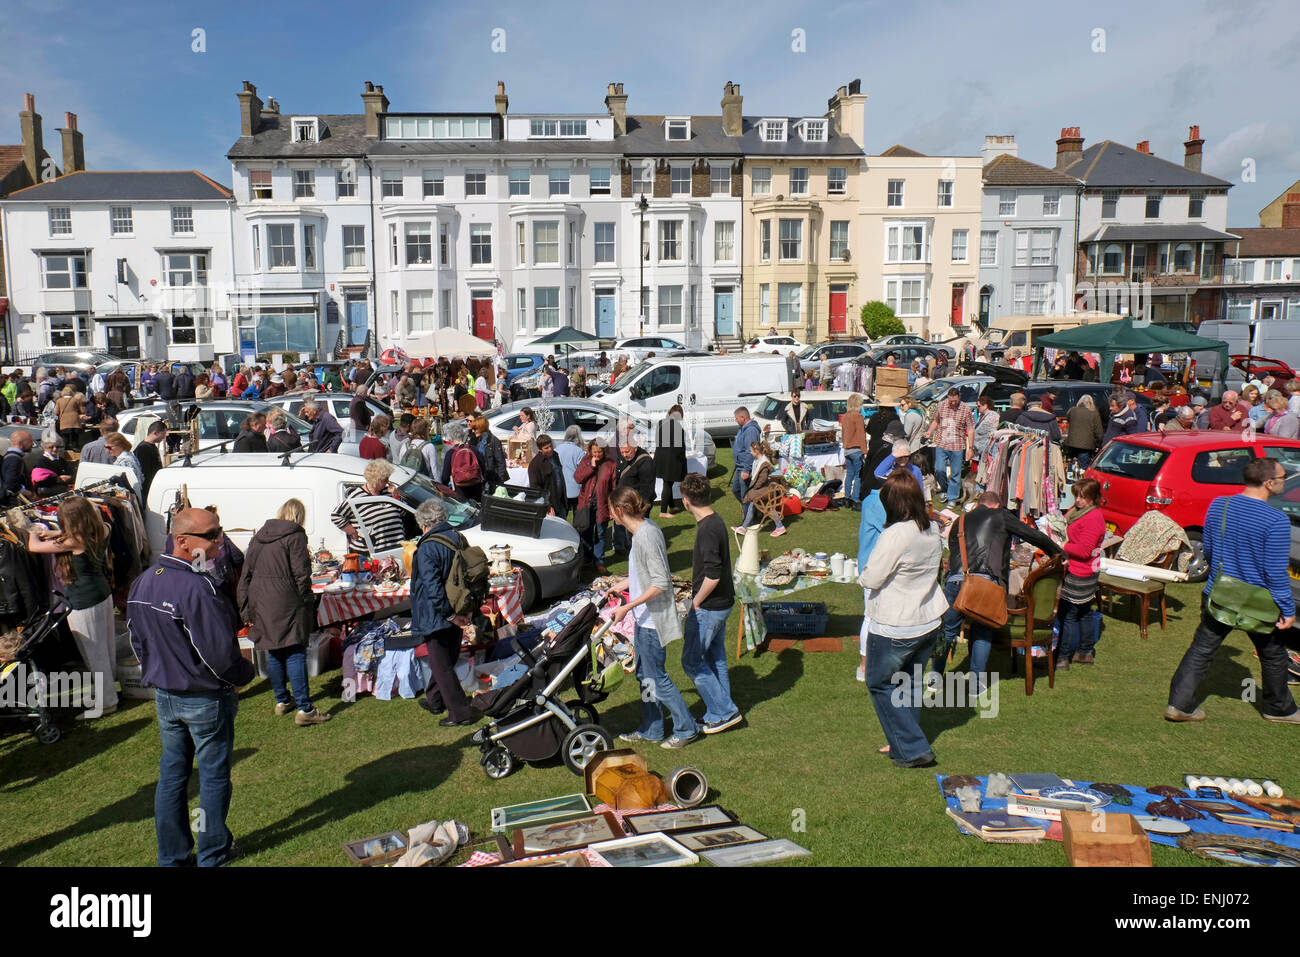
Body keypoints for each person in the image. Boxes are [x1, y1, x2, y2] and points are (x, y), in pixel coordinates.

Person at [128, 507, 255, 866]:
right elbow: (218, 654)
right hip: (202, 698)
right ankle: (212, 854)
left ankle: (173, 858)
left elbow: (139, 642)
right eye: (212, 534)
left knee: (172, 777)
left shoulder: (146, 580)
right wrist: (243, 675)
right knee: (213, 779)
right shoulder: (197, 587)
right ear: (182, 541)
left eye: (219, 532)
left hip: (167, 697)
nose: (219, 540)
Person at [1167, 458, 1299, 723]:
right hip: (1256, 600)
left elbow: (1211, 550)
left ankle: (1179, 705)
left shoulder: (1220, 505)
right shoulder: (1276, 520)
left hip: (1219, 592)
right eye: (1283, 477)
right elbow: (1275, 573)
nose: (1285, 482)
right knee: (1273, 653)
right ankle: (1278, 708)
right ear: (1269, 482)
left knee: (1201, 649)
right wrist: (1287, 609)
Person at [858, 472, 948, 768]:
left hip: (896, 623)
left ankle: (912, 747)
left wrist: (864, 574)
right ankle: (902, 740)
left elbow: (872, 576)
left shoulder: (895, 534)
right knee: (908, 684)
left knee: (879, 682)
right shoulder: (931, 529)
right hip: (927, 619)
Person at [606, 486, 699, 748]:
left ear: (621, 510)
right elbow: (644, 572)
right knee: (644, 676)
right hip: (641, 618)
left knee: (657, 677)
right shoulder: (641, 531)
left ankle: (686, 727)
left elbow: (661, 583)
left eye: (612, 510)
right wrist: (624, 583)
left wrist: (628, 606)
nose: (610, 514)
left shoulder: (646, 536)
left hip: (651, 621)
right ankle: (652, 727)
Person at [938, 491, 1061, 686]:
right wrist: (1058, 553)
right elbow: (1033, 535)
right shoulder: (1000, 515)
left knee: (947, 631)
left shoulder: (960, 521)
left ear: (978, 504)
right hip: (985, 583)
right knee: (982, 631)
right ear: (997, 506)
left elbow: (953, 553)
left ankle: (933, 679)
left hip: (955, 581)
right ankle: (976, 683)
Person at [239, 499, 329, 726]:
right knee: (295, 651)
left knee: (275, 651)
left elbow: (245, 575)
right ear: (300, 517)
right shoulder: (295, 535)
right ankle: (305, 708)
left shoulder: (259, 537)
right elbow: (301, 573)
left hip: (261, 600)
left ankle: (282, 700)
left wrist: (245, 608)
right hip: (286, 600)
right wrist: (307, 599)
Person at [679, 472, 742, 734]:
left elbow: (713, 576)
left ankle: (725, 711)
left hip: (710, 606)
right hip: (724, 603)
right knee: (715, 658)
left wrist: (696, 602)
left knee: (691, 661)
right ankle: (719, 710)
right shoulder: (716, 520)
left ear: (686, 501)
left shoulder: (706, 529)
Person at [410, 498, 478, 727]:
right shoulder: (458, 537)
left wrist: (448, 615)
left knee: (441, 665)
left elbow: (432, 587)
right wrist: (463, 612)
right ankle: (435, 699)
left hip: (437, 613)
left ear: (423, 524)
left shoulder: (427, 547)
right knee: (446, 658)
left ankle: (460, 713)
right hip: (459, 605)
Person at [1054, 477, 1108, 671]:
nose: (1077, 500)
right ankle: (1085, 652)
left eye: (1083, 497)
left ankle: (1063, 657)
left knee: (1068, 615)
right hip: (1083, 570)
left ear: (1093, 499)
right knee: (1084, 612)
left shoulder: (1093, 519)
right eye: (1076, 496)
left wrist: (1062, 545)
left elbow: (1085, 550)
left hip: (1080, 573)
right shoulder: (1077, 511)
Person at [331, 460, 407, 556]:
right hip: (372, 553)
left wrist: (396, 497)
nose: (388, 481)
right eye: (385, 479)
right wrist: (352, 531)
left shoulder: (388, 492)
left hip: (397, 549)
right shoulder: (357, 497)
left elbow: (403, 513)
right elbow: (336, 515)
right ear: (375, 480)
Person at [925, 388, 974, 505]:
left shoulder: (965, 409)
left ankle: (952, 497)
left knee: (955, 473)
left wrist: (970, 447)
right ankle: (944, 489)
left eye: (955, 401)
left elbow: (971, 429)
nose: (952, 403)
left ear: (959, 398)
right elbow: (936, 421)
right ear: (947, 398)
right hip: (942, 443)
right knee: (939, 469)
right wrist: (929, 432)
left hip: (958, 445)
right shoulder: (941, 406)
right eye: (950, 401)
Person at [575, 438, 616, 573]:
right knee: (585, 531)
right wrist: (591, 466)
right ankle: (587, 558)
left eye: (599, 452)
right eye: (594, 452)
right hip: (586, 504)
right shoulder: (585, 461)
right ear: (590, 450)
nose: (597, 455)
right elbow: (578, 478)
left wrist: (612, 508)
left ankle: (599, 561)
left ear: (604, 451)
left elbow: (613, 489)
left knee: (600, 534)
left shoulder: (610, 465)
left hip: (602, 505)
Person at [735, 439, 786, 538]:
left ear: (756, 451)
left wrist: (754, 488)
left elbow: (761, 480)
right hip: (765, 488)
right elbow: (757, 476)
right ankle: (779, 526)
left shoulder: (764, 463)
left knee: (756, 499)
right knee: (767, 506)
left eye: (751, 451)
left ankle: (745, 527)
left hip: (768, 488)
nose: (750, 452)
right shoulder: (758, 460)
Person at [653, 405, 688, 518]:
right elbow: (680, 449)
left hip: (660, 458)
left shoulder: (660, 423)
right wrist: (683, 460)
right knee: (668, 484)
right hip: (671, 460)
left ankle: (671, 506)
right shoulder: (679, 429)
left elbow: (657, 440)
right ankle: (663, 511)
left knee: (667, 482)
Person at [442, 419, 485, 502]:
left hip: (460, 491)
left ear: (451, 439)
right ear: (463, 436)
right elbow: (484, 468)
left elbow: (445, 478)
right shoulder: (474, 449)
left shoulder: (450, 453)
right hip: (477, 489)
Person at [527, 433, 568, 517]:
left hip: (560, 502)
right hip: (549, 506)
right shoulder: (535, 464)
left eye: (551, 446)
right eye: (546, 448)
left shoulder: (555, 456)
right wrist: (548, 506)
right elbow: (536, 488)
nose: (550, 449)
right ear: (540, 449)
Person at [841, 394, 868, 510]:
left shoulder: (845, 416)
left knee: (849, 475)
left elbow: (843, 434)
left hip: (847, 450)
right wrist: (865, 450)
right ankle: (855, 500)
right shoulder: (858, 416)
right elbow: (861, 435)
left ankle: (847, 499)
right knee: (858, 476)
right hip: (856, 449)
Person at [731, 407, 761, 505]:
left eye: (737, 418)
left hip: (745, 467)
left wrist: (746, 470)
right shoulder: (742, 428)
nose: (736, 420)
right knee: (736, 490)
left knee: (746, 496)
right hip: (740, 467)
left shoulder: (750, 430)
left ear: (743, 417)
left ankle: (750, 518)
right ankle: (753, 511)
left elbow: (751, 452)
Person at [1064, 394, 1104, 469]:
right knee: (1083, 468)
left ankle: (1070, 480)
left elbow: (1068, 418)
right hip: (1086, 446)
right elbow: (1099, 432)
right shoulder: (1094, 413)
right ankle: (1081, 479)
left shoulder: (1073, 410)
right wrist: (1098, 444)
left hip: (1071, 443)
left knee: (1072, 465)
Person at [555, 424, 586, 517]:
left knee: (562, 516)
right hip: (576, 489)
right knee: (577, 517)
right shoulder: (579, 452)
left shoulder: (557, 449)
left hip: (561, 488)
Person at [1, 429, 33, 505]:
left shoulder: (11, 456)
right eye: (30, 441)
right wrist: (28, 493)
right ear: (20, 443)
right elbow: (10, 484)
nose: (32, 444)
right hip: (13, 503)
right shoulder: (14, 459)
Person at [135, 420, 167, 496]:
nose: (164, 437)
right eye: (163, 434)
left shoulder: (152, 446)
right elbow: (144, 473)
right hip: (148, 490)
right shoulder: (143, 449)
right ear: (155, 433)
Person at [971, 394, 1001, 466]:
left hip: (987, 448)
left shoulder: (992, 415)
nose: (978, 408)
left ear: (986, 405)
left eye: (979, 406)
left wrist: (972, 434)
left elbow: (983, 430)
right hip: (980, 449)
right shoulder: (982, 415)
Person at [55, 386, 84, 451]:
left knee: (65, 438)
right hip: (75, 422)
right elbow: (82, 411)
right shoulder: (76, 400)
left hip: (64, 422)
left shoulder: (59, 400)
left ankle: (66, 453)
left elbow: (56, 412)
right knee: (75, 438)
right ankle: (75, 452)